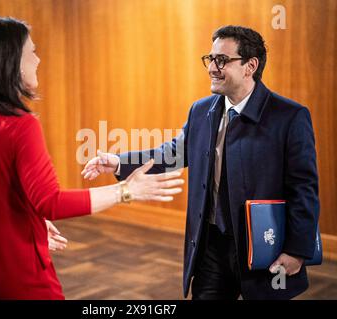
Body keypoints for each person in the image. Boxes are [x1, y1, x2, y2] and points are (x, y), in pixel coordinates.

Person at [0, 16, 184, 300]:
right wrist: (126, 190)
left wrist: (31, 223)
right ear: (10, 62)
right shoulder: (21, 125)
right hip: (19, 276)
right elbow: (51, 202)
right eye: (31, 53)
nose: (37, 60)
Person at [82, 25, 320, 300]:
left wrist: (296, 250)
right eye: (210, 59)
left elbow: (304, 189)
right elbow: (173, 152)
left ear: (250, 66)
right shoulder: (201, 110)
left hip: (266, 246)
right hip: (210, 245)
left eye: (222, 60)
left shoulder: (289, 116)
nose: (212, 68)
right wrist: (119, 162)